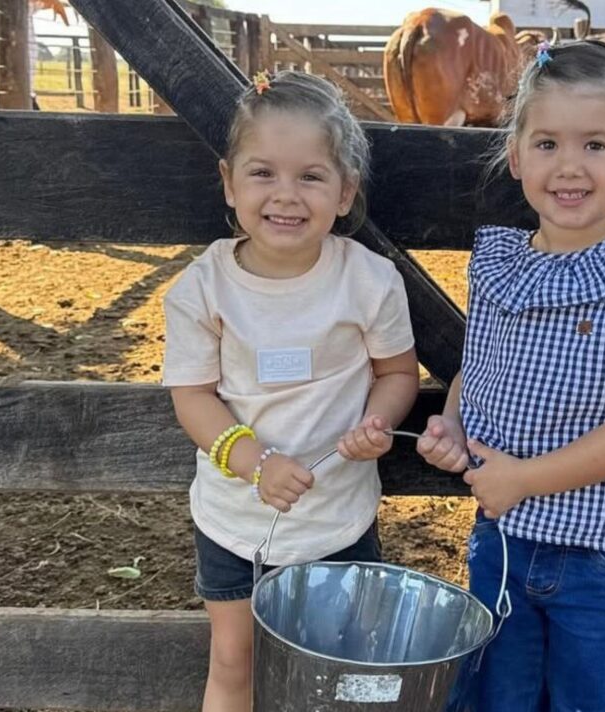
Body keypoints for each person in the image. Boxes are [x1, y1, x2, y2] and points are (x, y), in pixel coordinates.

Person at [417, 40, 605, 712]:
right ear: (515, 156)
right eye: (546, 145)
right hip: (501, 542)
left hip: (597, 560)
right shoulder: (498, 263)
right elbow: (475, 372)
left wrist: (523, 479)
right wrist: (451, 421)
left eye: (595, 145)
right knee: (496, 698)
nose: (569, 167)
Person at [162, 70, 419, 712]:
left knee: (342, 664)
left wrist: (377, 423)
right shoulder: (202, 289)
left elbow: (398, 373)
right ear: (228, 181)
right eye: (263, 173)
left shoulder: (370, 281)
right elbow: (192, 397)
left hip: (338, 520)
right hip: (233, 521)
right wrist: (257, 463)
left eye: (311, 176)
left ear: (344, 192)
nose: (286, 195)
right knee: (234, 660)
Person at [0, 0, 67, 110]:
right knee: (12, 122)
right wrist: (55, 3)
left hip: (16, 81)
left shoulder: (22, 8)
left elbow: (43, 3)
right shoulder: (6, 7)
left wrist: (56, 4)